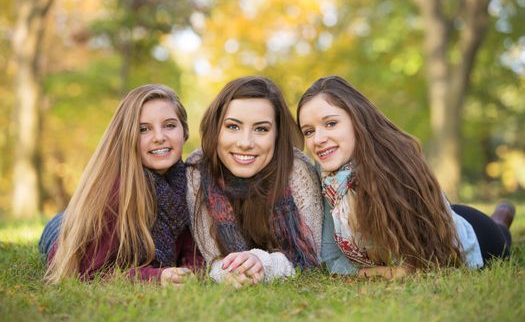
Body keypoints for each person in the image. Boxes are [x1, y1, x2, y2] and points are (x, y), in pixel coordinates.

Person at [296, 75, 515, 279]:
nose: (318, 139)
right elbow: (331, 256)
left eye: (330, 123)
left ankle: (502, 215)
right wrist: (375, 272)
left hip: (474, 235)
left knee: (501, 233)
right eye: (308, 131)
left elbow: (421, 261)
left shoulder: (394, 164)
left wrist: (382, 272)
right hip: (445, 214)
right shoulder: (327, 179)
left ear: (357, 119)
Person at [40, 84, 202, 284]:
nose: (159, 137)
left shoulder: (189, 183)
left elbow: (192, 252)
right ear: (128, 137)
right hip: (60, 230)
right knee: (62, 223)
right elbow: (92, 272)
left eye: (169, 125)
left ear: (184, 132)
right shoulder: (115, 191)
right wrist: (156, 277)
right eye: (144, 129)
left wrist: (190, 271)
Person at [186, 76, 323, 287]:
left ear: (277, 135)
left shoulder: (296, 171)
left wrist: (262, 263)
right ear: (216, 129)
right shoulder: (199, 171)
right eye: (233, 126)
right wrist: (229, 273)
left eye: (261, 129)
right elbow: (212, 257)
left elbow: (311, 252)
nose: (245, 143)